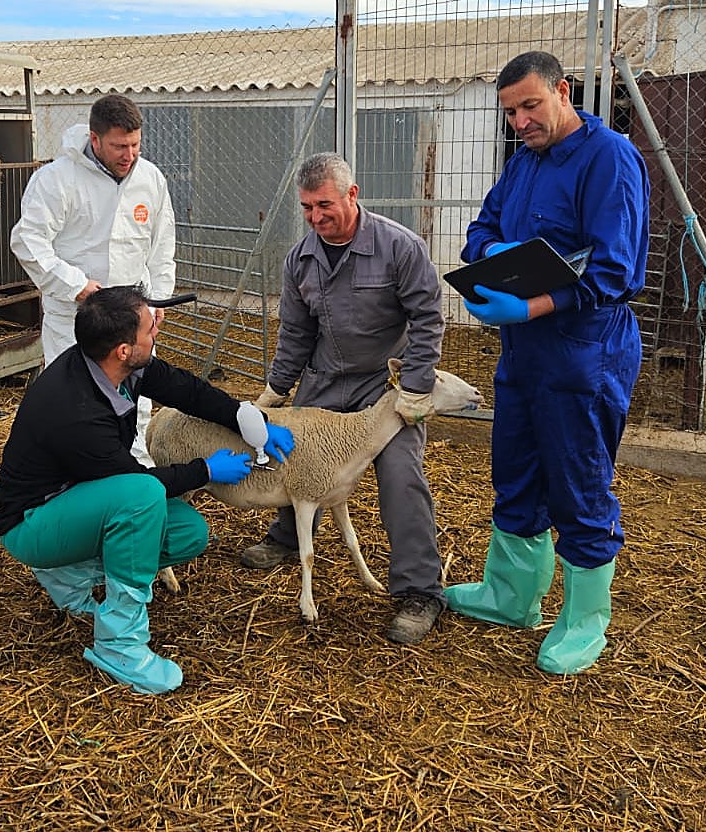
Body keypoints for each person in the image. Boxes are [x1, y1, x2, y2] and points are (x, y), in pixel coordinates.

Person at [444, 51, 650, 675]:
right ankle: (512, 596)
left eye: (531, 106)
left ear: (563, 91)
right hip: (525, 355)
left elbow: (615, 269)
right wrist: (495, 252)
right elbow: (479, 229)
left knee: (580, 480)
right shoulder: (524, 162)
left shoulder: (608, 157)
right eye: (510, 112)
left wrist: (530, 304)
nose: (521, 122)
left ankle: (585, 619)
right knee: (517, 468)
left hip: (585, 351)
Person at [0, 285, 295, 694]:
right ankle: (119, 641)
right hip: (34, 523)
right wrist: (205, 469)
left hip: (82, 499)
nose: (157, 330)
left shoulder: (114, 366)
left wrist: (243, 415)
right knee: (142, 499)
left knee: (188, 532)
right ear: (122, 349)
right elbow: (138, 483)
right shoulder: (73, 412)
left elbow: (184, 389)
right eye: (149, 328)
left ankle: (67, 573)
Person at [242, 152, 448, 645]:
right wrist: (274, 392)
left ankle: (420, 590)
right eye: (308, 208)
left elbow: (428, 320)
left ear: (353, 195)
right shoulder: (301, 258)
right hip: (324, 379)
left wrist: (415, 388)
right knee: (290, 451)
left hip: (384, 385)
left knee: (400, 473)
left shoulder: (401, 247)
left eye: (325, 205)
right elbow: (294, 334)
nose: (316, 218)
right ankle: (287, 538)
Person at [9, 92, 175, 465]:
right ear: (94, 139)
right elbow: (28, 241)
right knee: (73, 399)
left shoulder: (150, 179)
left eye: (134, 145)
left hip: (132, 316)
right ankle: (75, 476)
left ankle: (135, 472)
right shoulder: (56, 180)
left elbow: (162, 243)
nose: (128, 155)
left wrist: (158, 299)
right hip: (76, 317)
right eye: (119, 146)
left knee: (136, 394)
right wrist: (76, 286)